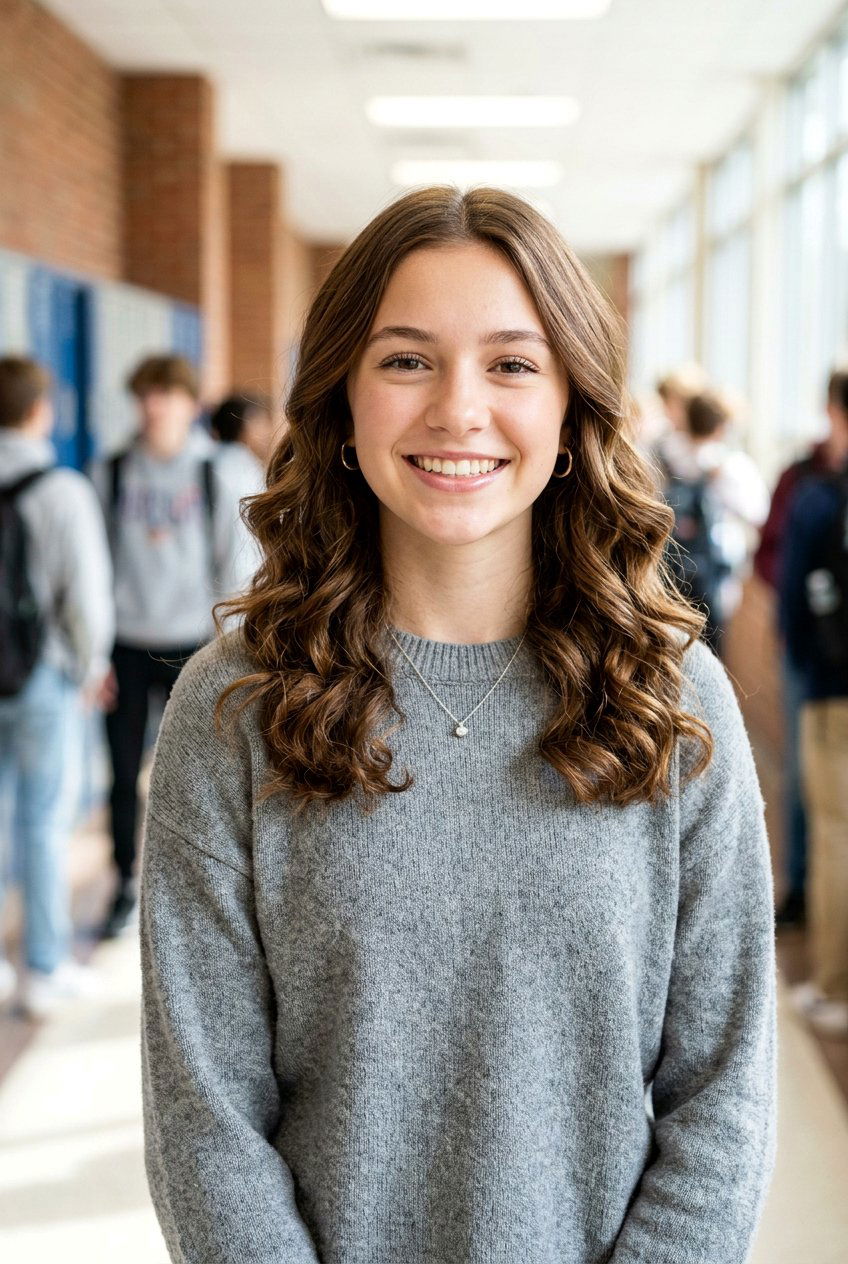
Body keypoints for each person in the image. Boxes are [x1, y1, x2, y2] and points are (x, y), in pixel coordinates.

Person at [140, 187, 776, 1263]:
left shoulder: (671, 698)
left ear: (571, 404)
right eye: (405, 360)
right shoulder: (234, 701)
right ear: (341, 395)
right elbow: (202, 1113)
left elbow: (722, 1091)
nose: (457, 409)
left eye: (511, 364)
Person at [89, 354, 259, 940]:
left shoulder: (217, 472)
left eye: (164, 396)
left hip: (195, 648)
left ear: (190, 405)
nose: (153, 408)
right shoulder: (110, 472)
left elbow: (235, 568)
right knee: (120, 772)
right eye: (144, 397)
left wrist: (232, 655)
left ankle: (195, 892)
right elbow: (93, 572)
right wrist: (94, 654)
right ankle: (123, 882)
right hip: (127, 646)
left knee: (200, 777)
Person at [0, 356, 114, 1017]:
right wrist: (92, 665)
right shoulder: (61, 489)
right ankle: (44, 968)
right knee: (44, 822)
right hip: (42, 673)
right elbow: (85, 595)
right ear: (38, 410)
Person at [754, 368, 848, 928]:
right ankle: (799, 890)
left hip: (816, 664)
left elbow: (779, 564)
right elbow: (773, 553)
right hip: (813, 655)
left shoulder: (814, 491)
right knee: (801, 776)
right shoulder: (804, 476)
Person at [779, 378, 848, 1039]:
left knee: (836, 836)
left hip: (835, 690)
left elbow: (792, 603)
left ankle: (834, 988)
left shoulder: (823, 496)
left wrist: (806, 661)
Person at [652, 388, 769, 655]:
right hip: (715, 581)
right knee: (710, 654)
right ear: (721, 427)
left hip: (666, 574)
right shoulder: (730, 467)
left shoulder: (665, 455)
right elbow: (758, 514)